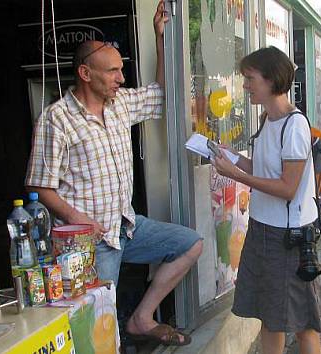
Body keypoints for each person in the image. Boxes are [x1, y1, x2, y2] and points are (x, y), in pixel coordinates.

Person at [24, 0, 202, 346]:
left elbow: (160, 95)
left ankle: (141, 318)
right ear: (86, 74)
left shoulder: (119, 104)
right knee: (98, 329)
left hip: (126, 227)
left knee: (189, 244)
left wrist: (160, 37)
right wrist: (80, 220)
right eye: (113, 72)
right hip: (88, 243)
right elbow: (39, 186)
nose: (121, 78)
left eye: (121, 70)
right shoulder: (56, 119)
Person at [211, 46, 321, 354]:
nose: (245, 85)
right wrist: (230, 157)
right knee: (269, 316)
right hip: (262, 229)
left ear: (271, 79)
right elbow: (259, 168)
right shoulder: (267, 120)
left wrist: (236, 175)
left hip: (289, 236)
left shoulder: (295, 124)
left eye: (250, 78)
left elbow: (288, 187)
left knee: (303, 322)